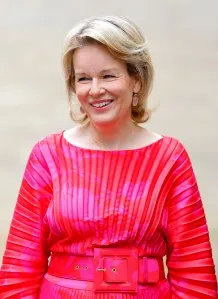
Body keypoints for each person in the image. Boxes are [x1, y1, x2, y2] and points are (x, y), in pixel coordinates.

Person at [0, 16, 217, 299]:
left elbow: (194, 274)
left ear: (136, 80)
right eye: (83, 78)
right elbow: (19, 269)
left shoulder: (169, 159)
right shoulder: (48, 155)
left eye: (108, 75)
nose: (94, 89)